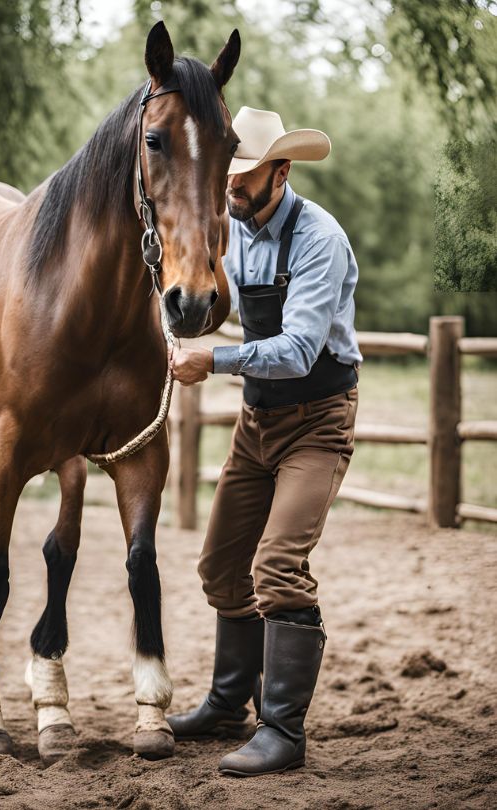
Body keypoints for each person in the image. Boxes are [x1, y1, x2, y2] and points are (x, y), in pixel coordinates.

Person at [167, 106, 362, 777]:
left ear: (281, 171)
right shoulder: (231, 230)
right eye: (229, 173)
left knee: (276, 566)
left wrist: (213, 362)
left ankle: (282, 730)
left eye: (245, 174)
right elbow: (204, 290)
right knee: (221, 570)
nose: (232, 185)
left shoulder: (320, 239)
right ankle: (227, 704)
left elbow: (303, 350)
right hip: (258, 425)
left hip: (318, 420)